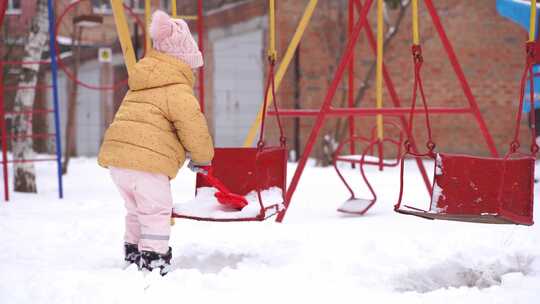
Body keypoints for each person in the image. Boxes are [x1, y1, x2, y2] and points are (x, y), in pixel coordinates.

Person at [98, 10, 214, 275]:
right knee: (156, 212)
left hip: (119, 163)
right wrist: (202, 157)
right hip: (146, 165)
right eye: (190, 66)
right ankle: (154, 259)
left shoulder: (140, 84)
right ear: (181, 62)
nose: (192, 73)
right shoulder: (177, 90)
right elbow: (194, 127)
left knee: (136, 210)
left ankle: (133, 252)